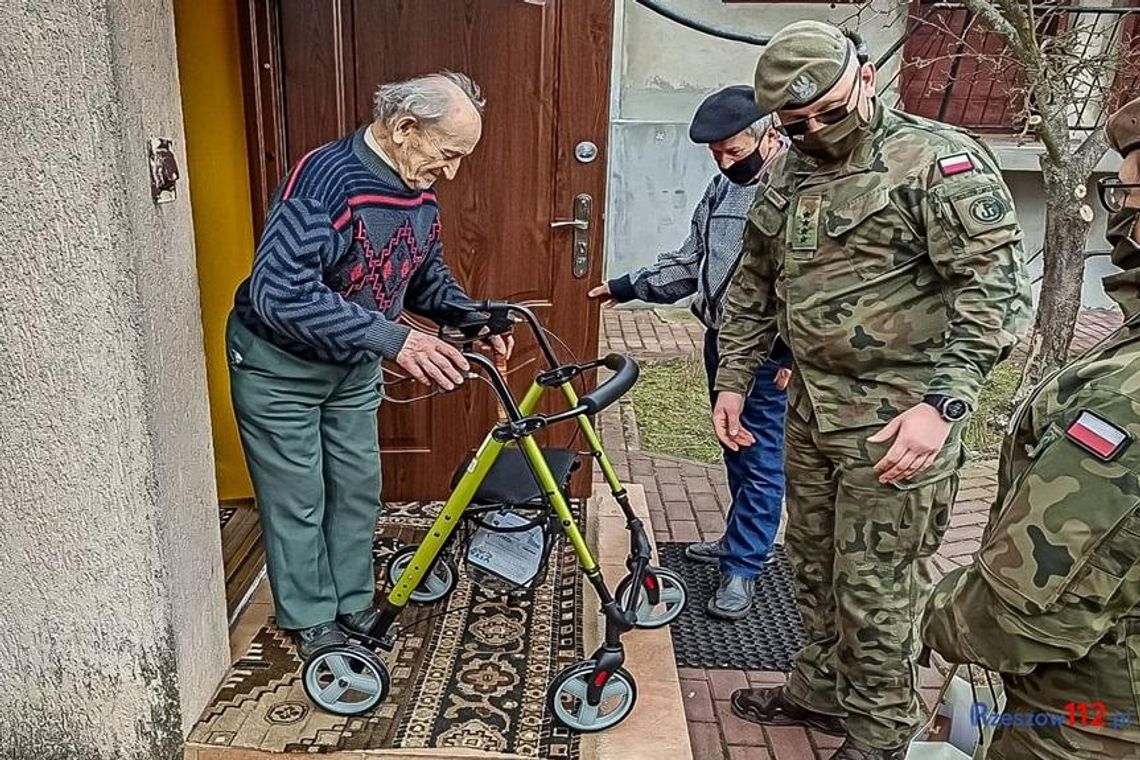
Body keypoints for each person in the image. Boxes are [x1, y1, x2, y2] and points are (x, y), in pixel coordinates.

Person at [714, 21, 1031, 760]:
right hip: (812, 409)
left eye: (830, 111)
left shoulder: (936, 162)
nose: (818, 131)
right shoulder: (789, 171)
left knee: (878, 586)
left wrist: (942, 407)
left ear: (865, 76)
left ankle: (881, 734)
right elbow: (754, 283)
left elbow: (993, 294)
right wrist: (733, 378)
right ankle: (820, 692)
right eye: (798, 124)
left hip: (899, 420)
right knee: (812, 562)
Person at [227, 71, 510, 658]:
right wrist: (395, 340)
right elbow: (279, 293)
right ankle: (310, 619)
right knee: (298, 495)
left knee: (356, 487)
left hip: (353, 363)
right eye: (449, 153)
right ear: (406, 128)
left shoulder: (417, 185)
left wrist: (476, 319)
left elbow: (422, 277)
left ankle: (353, 602)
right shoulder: (325, 180)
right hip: (280, 366)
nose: (452, 172)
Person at [919, 96, 1140, 760]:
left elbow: (1023, 610)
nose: (1121, 212)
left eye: (1129, 191)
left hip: (1087, 717)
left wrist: (942, 619)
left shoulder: (1124, 401)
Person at [588, 85, 790, 619]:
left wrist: (793, 355)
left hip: (771, 355)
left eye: (734, 150)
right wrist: (627, 286)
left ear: (770, 133)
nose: (725, 162)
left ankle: (745, 565)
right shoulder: (722, 190)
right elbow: (692, 259)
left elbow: (818, 285)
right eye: (716, 152)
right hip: (720, 343)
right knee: (735, 448)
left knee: (762, 455)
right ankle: (736, 540)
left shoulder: (801, 189)